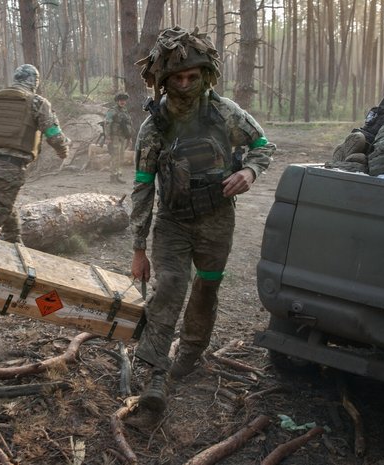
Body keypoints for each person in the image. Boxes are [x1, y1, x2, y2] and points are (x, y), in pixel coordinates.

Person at [127, 27, 275, 425]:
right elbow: (142, 188)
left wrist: (250, 172)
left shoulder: (224, 112)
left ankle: (189, 355)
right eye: (178, 77)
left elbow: (264, 146)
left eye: (194, 77)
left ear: (205, 75)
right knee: (170, 286)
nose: (186, 84)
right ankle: (156, 376)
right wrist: (139, 248)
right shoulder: (154, 126)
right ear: (164, 80)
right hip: (172, 222)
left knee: (206, 287)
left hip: (216, 221)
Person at [0, 64, 69, 243]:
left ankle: (14, 240)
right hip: (10, 165)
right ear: (35, 82)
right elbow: (53, 135)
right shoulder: (37, 102)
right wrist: (63, 150)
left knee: (1, 203)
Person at [104, 92, 135, 183]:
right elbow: (107, 123)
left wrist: (130, 138)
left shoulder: (124, 111)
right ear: (117, 101)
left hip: (123, 137)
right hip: (115, 137)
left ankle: (117, 175)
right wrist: (108, 137)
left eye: (124, 100)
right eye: (120, 100)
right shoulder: (112, 111)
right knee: (115, 156)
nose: (122, 102)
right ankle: (113, 176)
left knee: (121, 157)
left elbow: (128, 125)